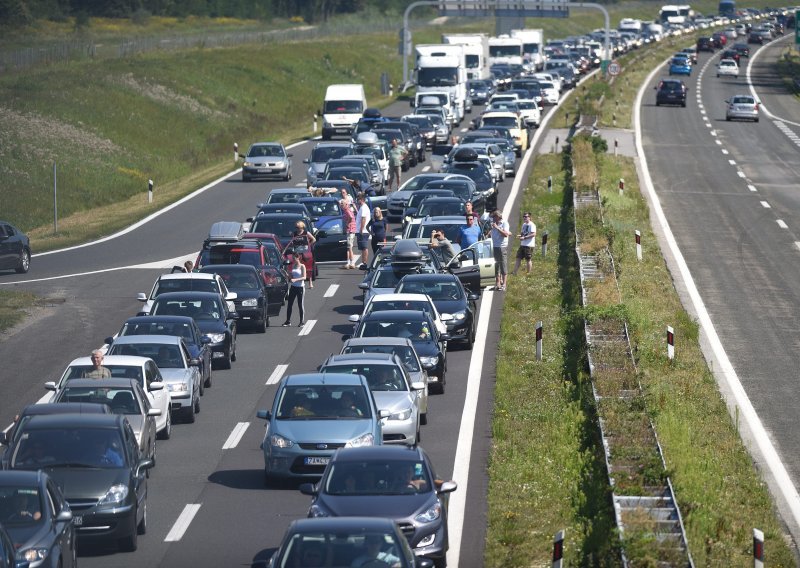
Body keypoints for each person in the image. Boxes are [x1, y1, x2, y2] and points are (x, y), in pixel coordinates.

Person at [290, 221, 316, 288]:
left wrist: (309, 245)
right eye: (296, 227)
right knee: (298, 266)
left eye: (298, 227)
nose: (297, 229)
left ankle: (310, 282)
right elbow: (292, 241)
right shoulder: (294, 233)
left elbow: (314, 239)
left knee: (308, 266)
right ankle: (300, 280)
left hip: (305, 252)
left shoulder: (306, 233)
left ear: (302, 227)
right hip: (297, 252)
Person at [490, 209, 511, 291]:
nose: (493, 219)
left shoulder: (504, 223)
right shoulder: (494, 224)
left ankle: (504, 284)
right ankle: (497, 283)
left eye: (494, 217)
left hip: (502, 246)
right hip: (495, 246)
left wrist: (497, 228)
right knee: (496, 265)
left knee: (503, 264)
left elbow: (506, 234)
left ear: (498, 217)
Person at [282, 255, 306, 327]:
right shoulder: (293, 266)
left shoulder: (302, 266)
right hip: (293, 287)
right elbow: (291, 277)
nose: (293, 259)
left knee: (300, 304)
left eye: (294, 258)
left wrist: (295, 280)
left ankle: (302, 321)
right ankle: (288, 321)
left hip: (300, 287)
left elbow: (304, 277)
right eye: (293, 258)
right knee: (289, 304)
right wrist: (287, 275)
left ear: (298, 258)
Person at [340, 188, 357, 269]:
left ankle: (352, 263)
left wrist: (347, 223)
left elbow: (350, 217)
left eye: (342, 204)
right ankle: (348, 262)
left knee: (349, 247)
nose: (341, 206)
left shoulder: (347, 210)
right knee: (348, 247)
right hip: (350, 230)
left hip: (350, 230)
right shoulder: (346, 210)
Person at [354, 192, 372, 268]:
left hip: (363, 231)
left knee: (364, 247)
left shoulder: (364, 207)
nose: (357, 201)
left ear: (361, 200)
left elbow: (363, 219)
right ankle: (363, 262)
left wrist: (361, 229)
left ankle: (364, 263)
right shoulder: (362, 207)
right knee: (362, 247)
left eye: (358, 199)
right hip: (361, 231)